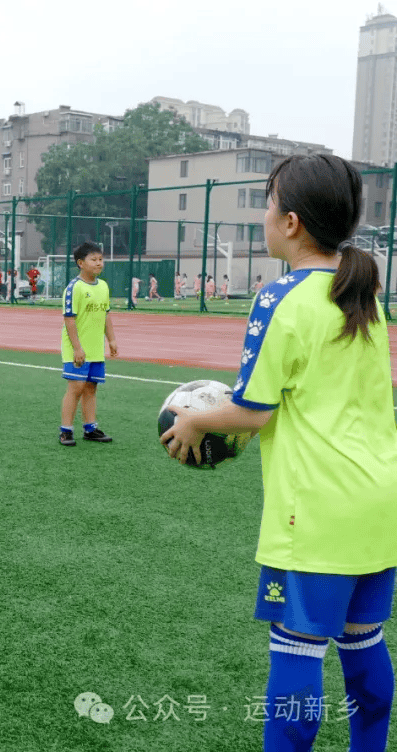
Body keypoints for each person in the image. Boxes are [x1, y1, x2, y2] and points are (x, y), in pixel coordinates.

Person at [162, 154, 397, 752]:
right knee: (363, 640)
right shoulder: (364, 294)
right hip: (379, 504)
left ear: (289, 222)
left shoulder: (280, 299)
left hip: (316, 510)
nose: (265, 216)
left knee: (297, 650)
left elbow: (253, 410)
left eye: (267, 204)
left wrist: (193, 419)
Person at [59, 241, 117, 446]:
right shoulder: (74, 288)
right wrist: (77, 348)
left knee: (91, 388)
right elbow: (69, 319)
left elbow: (106, 315)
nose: (99, 263)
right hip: (77, 348)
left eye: (101, 259)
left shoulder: (103, 286)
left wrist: (111, 339)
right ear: (81, 263)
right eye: (94, 260)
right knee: (76, 387)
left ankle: (90, 429)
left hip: (95, 349)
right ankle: (66, 430)